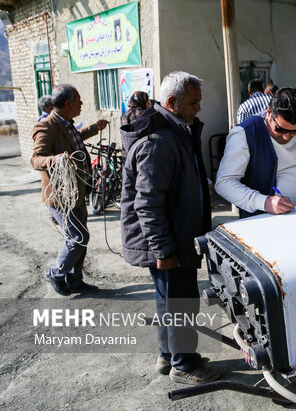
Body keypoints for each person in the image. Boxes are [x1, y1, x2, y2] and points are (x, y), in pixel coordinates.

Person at [120, 71, 218, 385]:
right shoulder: (159, 141)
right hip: (169, 242)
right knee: (181, 301)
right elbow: (147, 203)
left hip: (176, 237)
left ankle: (169, 355)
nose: (199, 109)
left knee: (170, 300)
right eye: (193, 102)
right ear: (172, 102)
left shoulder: (176, 131)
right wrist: (163, 249)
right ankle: (184, 364)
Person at [30, 84, 109, 296]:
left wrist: (94, 128)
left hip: (77, 193)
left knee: (81, 237)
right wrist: (54, 160)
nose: (81, 104)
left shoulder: (66, 123)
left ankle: (75, 280)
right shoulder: (46, 126)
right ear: (68, 103)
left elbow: (73, 140)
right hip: (61, 196)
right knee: (77, 237)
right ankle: (56, 274)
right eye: (79, 100)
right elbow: (35, 159)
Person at [216, 87, 296, 218]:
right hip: (263, 220)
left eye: (295, 131)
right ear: (269, 112)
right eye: (280, 129)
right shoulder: (244, 133)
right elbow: (224, 182)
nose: (286, 137)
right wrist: (265, 202)